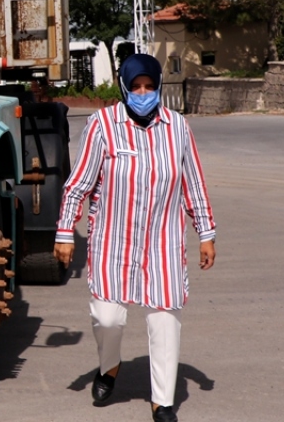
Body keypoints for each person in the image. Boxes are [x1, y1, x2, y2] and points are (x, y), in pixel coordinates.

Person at [53, 53, 216, 422]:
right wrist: (65, 233)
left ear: (158, 86)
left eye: (150, 86)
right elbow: (77, 186)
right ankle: (109, 367)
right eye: (136, 87)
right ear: (125, 87)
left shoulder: (177, 127)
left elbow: (193, 184)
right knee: (108, 319)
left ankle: (163, 400)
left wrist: (206, 233)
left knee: (164, 320)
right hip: (113, 241)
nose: (143, 93)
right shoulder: (102, 126)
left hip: (163, 241)